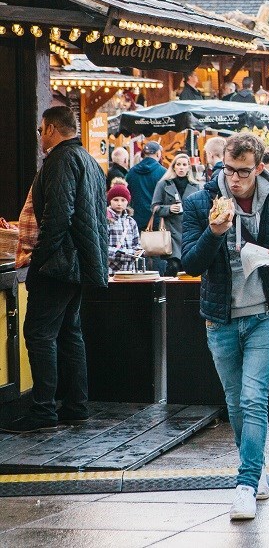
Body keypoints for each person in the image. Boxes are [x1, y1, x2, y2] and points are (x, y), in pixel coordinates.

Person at [179, 132, 269, 519]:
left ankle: (246, 484)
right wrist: (214, 233)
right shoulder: (201, 203)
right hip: (220, 319)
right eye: (229, 170)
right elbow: (191, 263)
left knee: (253, 399)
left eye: (243, 172)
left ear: (260, 168)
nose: (235, 179)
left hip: (264, 314)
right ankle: (257, 465)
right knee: (235, 402)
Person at [2, 107, 107, 434]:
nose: (39, 135)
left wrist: (40, 262)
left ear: (49, 128)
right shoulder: (88, 160)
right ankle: (76, 406)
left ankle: (44, 410)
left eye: (40, 129)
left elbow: (58, 217)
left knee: (39, 333)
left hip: (59, 264)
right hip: (80, 264)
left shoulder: (61, 161)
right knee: (68, 332)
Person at [151, 152, 203, 277]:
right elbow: (154, 207)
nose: (181, 167)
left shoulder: (196, 186)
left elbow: (201, 209)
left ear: (188, 168)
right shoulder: (163, 184)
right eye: (178, 164)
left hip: (189, 232)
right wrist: (169, 209)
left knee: (188, 268)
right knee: (173, 267)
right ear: (173, 167)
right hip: (170, 233)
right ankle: (168, 294)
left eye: (184, 164)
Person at [127, 141, 166, 231]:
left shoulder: (132, 172)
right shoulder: (163, 172)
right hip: (156, 220)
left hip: (135, 219)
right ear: (158, 153)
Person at [106, 182, 143, 274]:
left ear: (127, 201)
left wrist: (139, 252)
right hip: (110, 271)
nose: (119, 203)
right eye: (116, 200)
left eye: (123, 200)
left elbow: (137, 244)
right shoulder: (106, 219)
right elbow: (104, 248)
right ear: (110, 201)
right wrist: (130, 254)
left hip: (129, 271)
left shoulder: (131, 222)